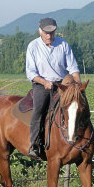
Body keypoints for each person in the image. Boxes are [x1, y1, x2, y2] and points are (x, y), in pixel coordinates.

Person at [26, 17, 81, 159]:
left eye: (52, 33)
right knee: (39, 111)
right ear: (40, 31)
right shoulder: (33, 46)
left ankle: (82, 138)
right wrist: (44, 82)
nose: (49, 36)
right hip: (42, 85)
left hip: (62, 84)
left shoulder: (63, 44)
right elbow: (31, 72)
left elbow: (73, 66)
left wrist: (78, 84)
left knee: (77, 106)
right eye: (46, 33)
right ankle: (34, 144)